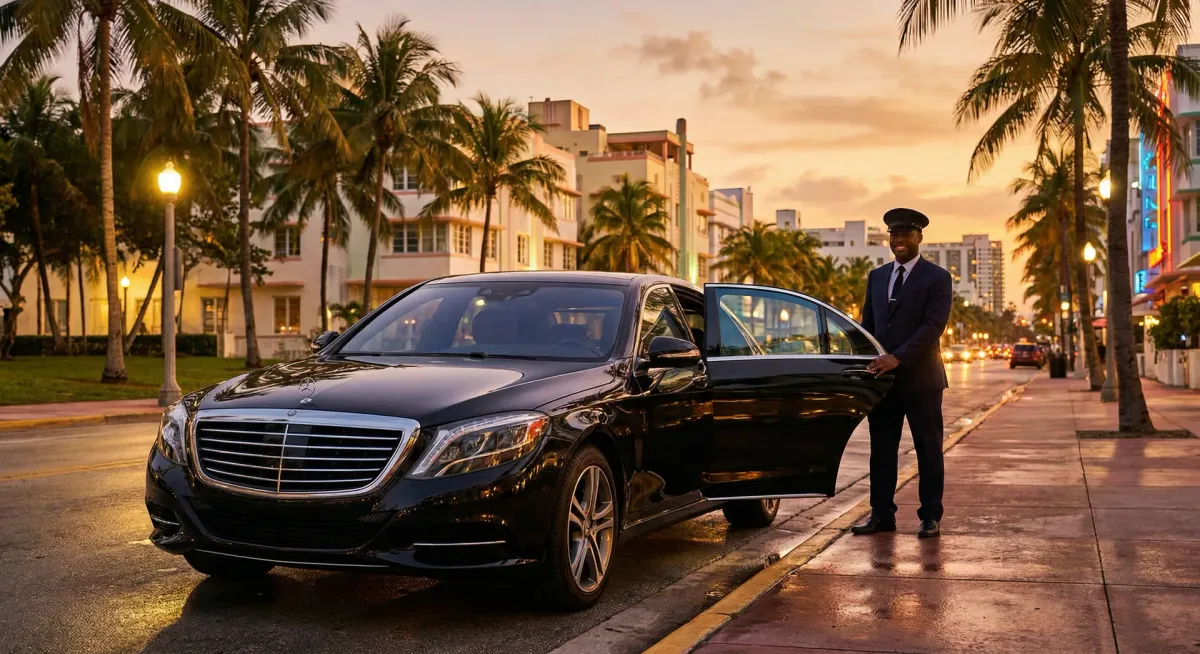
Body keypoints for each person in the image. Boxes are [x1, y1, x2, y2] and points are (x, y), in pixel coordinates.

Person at [851, 208, 953, 539]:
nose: (899, 240)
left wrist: (898, 358)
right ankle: (881, 514)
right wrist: (861, 359)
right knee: (881, 450)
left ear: (919, 238)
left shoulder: (937, 277)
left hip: (922, 380)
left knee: (928, 448)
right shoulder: (876, 276)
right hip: (883, 381)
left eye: (906, 234)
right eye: (894, 235)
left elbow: (933, 326)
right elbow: (868, 325)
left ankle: (930, 517)